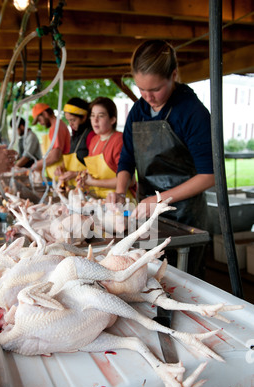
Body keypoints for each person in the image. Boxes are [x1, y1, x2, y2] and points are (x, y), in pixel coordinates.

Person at [106, 40, 215, 277]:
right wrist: (120, 190)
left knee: (180, 281)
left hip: (185, 215)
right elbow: (127, 158)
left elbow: (209, 175)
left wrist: (158, 200)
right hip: (147, 214)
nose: (148, 97)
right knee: (146, 277)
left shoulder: (192, 112)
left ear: (173, 75)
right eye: (141, 89)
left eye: (155, 89)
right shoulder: (139, 110)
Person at [76, 97, 135, 200]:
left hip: (120, 200)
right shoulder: (94, 140)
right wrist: (83, 177)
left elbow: (131, 180)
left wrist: (93, 182)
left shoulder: (119, 140)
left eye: (101, 116)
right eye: (93, 116)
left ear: (113, 119)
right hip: (99, 199)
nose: (95, 120)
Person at [51, 97, 95, 186]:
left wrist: (76, 173)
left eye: (73, 120)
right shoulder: (74, 136)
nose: (70, 124)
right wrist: (62, 167)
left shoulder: (91, 135)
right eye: (68, 121)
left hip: (88, 187)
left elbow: (96, 169)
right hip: (74, 187)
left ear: (84, 117)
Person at [31, 103, 70, 173]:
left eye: (39, 120)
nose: (40, 123)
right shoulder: (54, 127)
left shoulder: (57, 127)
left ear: (45, 114)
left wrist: (35, 165)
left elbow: (55, 156)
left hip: (63, 173)